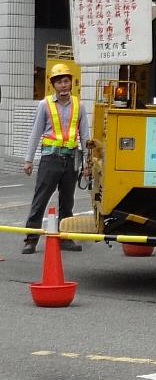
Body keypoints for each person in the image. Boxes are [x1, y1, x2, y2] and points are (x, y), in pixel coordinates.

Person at [21, 63, 90, 254]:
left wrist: (86, 163)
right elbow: (35, 134)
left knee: (67, 201)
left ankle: (65, 238)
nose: (64, 85)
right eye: (59, 82)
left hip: (70, 159)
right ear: (53, 84)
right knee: (40, 199)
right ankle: (31, 239)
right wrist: (28, 160)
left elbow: (84, 136)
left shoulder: (79, 105)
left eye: (66, 81)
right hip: (50, 158)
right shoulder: (45, 105)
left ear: (71, 83)